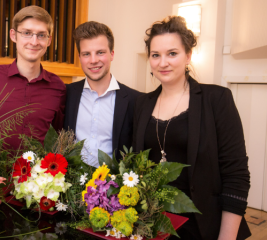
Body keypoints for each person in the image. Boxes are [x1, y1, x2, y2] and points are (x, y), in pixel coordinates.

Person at [132, 16, 251, 239]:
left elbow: (236, 174)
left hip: (204, 225)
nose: (163, 62)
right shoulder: (142, 103)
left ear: (188, 55)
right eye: (155, 55)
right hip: (154, 225)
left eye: (172, 53)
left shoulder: (216, 99)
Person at [0, 6, 66, 151]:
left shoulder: (58, 87)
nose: (34, 42)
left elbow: (58, 138)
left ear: (49, 40)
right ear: (13, 35)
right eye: (27, 33)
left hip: (39, 172)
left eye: (41, 35)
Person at [64, 21, 141, 167]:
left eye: (100, 52)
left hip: (114, 187)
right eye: (86, 54)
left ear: (112, 54)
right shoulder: (66, 94)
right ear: (79, 57)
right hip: (70, 185)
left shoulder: (135, 100)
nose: (94, 60)